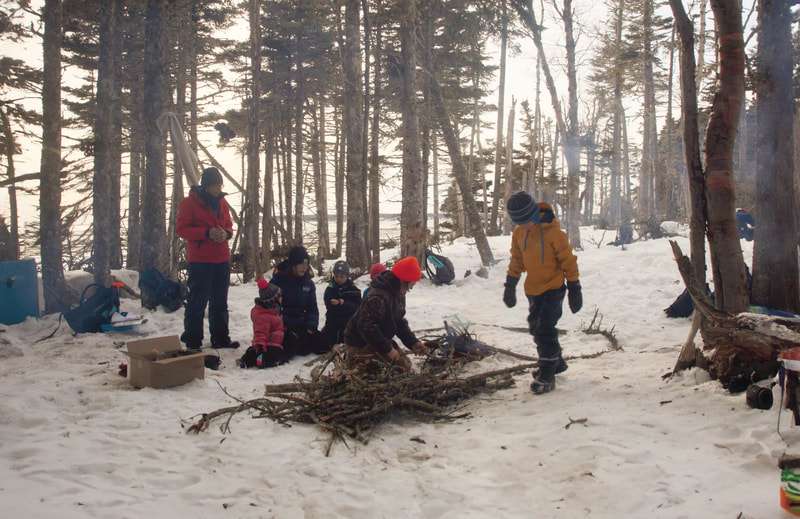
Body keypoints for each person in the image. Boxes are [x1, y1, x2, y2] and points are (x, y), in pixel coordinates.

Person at [503, 191, 582, 395]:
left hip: (554, 289)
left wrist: (574, 287)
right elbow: (517, 260)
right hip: (533, 290)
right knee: (534, 327)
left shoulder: (554, 233)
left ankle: (547, 374)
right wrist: (510, 285)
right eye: (520, 222)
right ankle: (556, 362)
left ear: (534, 214)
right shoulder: (519, 233)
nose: (525, 225)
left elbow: (568, 261)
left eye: (528, 220)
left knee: (545, 328)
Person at [176, 167, 239, 350]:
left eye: (219, 186)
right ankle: (193, 339)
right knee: (197, 301)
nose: (217, 189)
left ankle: (220, 338)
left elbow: (229, 226)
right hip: (200, 260)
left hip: (221, 259)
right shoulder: (189, 203)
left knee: (220, 301)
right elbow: (182, 229)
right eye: (214, 186)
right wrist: (206, 233)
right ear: (206, 186)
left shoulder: (222, 203)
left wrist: (225, 234)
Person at [344, 256, 429, 372]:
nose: (412, 286)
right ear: (404, 280)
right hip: (360, 342)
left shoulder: (398, 292)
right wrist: (387, 349)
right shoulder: (378, 296)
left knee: (405, 365)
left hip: (378, 338)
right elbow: (366, 326)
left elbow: (398, 321)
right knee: (398, 370)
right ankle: (354, 359)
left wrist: (413, 342)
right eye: (412, 284)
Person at [270, 245, 322, 356]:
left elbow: (312, 308)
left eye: (306, 264)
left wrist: (311, 326)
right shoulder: (279, 280)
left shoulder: (308, 283)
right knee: (289, 347)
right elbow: (270, 306)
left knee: (322, 344)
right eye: (301, 264)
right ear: (293, 264)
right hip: (283, 325)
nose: (304, 267)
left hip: (301, 324)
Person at [240, 278, 285, 369]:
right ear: (273, 300)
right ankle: (254, 359)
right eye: (280, 296)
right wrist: (260, 347)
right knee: (273, 356)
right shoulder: (263, 316)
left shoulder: (274, 310)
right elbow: (260, 332)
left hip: (275, 341)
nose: (282, 298)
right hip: (268, 345)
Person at [321, 261, 362, 349]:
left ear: (347, 276)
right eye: (336, 276)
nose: (339, 279)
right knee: (323, 343)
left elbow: (357, 306)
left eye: (342, 277)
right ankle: (331, 344)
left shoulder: (353, 289)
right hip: (333, 320)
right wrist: (331, 302)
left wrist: (343, 303)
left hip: (348, 321)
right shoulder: (331, 287)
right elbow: (327, 301)